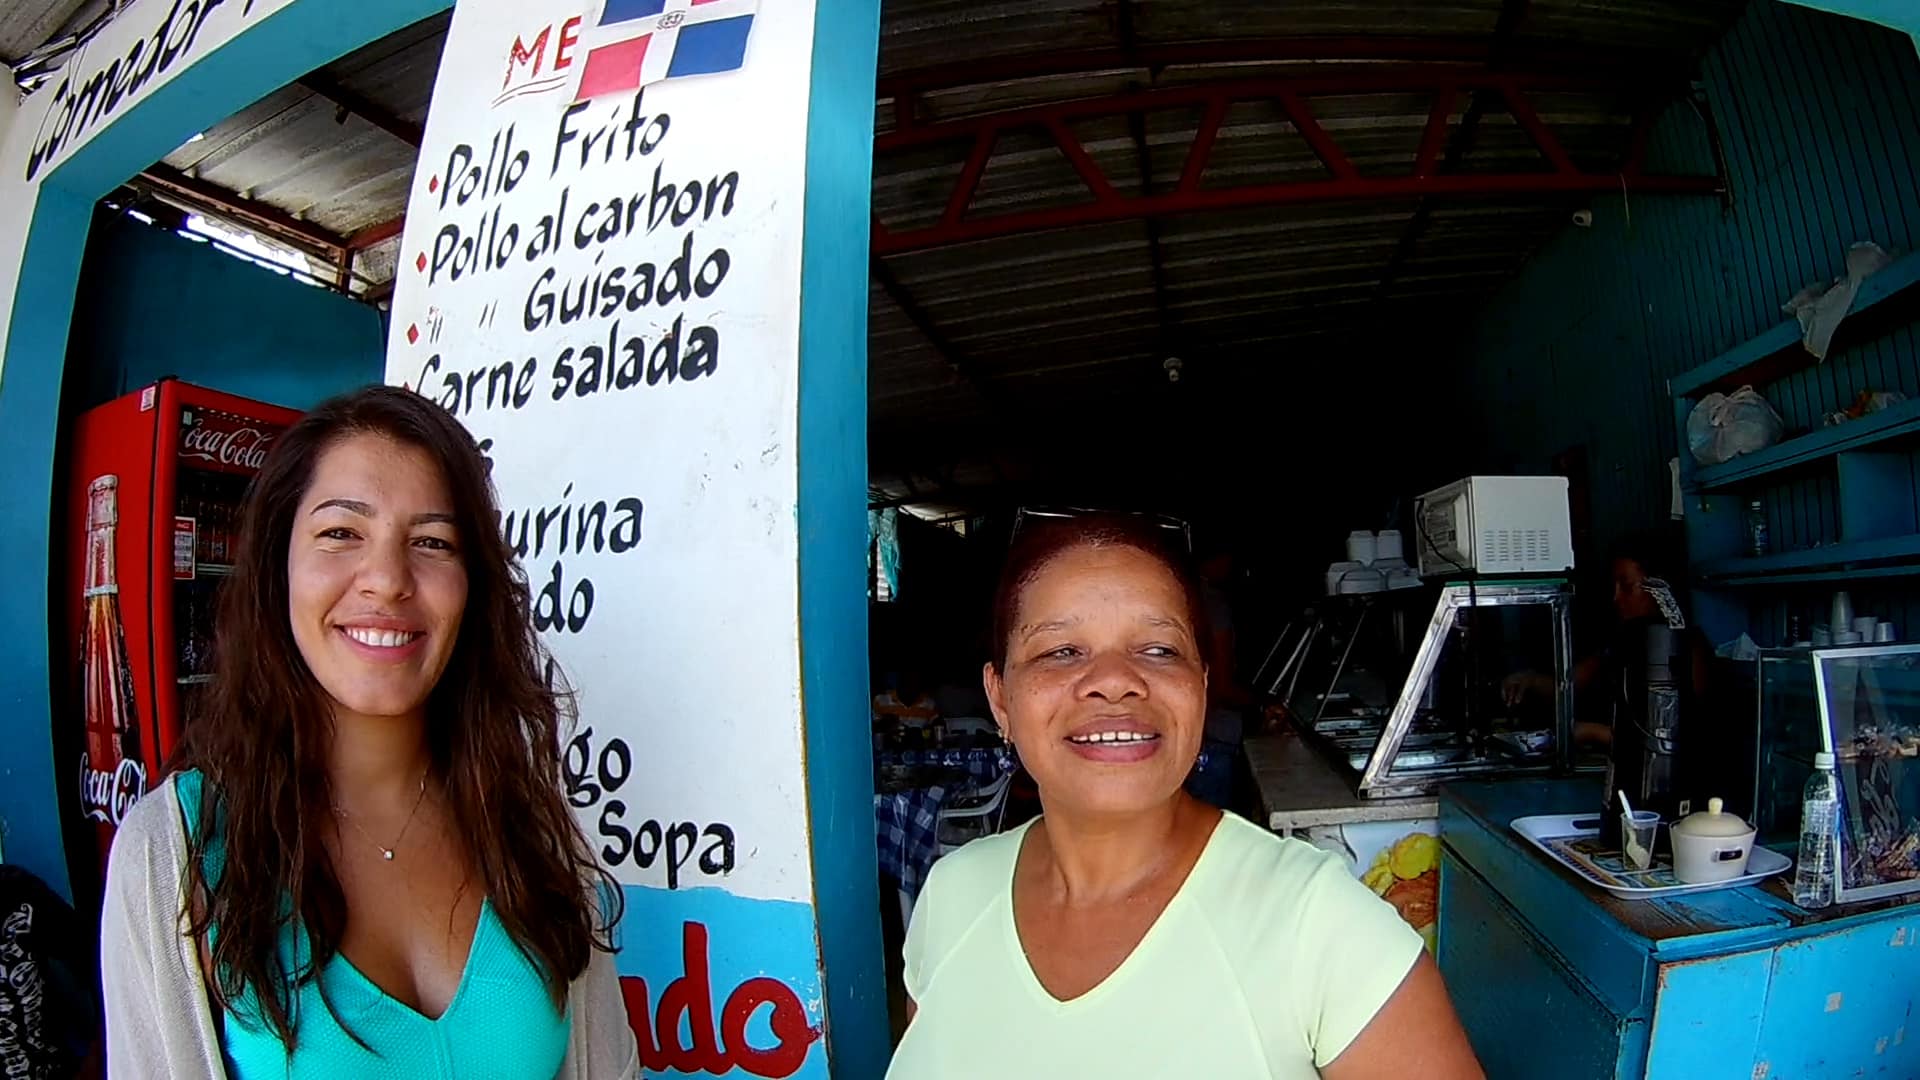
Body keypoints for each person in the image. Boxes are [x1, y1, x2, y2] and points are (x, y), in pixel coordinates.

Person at [100, 387, 637, 1078]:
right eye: (341, 533)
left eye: (432, 542)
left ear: (472, 588)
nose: (386, 580)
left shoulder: (537, 834)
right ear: (277, 566)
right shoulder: (170, 854)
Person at [889, 514, 1482, 1079]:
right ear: (1000, 699)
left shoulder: (1321, 927)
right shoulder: (952, 895)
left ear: (1200, 685)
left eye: (1158, 650)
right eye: (1061, 651)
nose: (1115, 680)